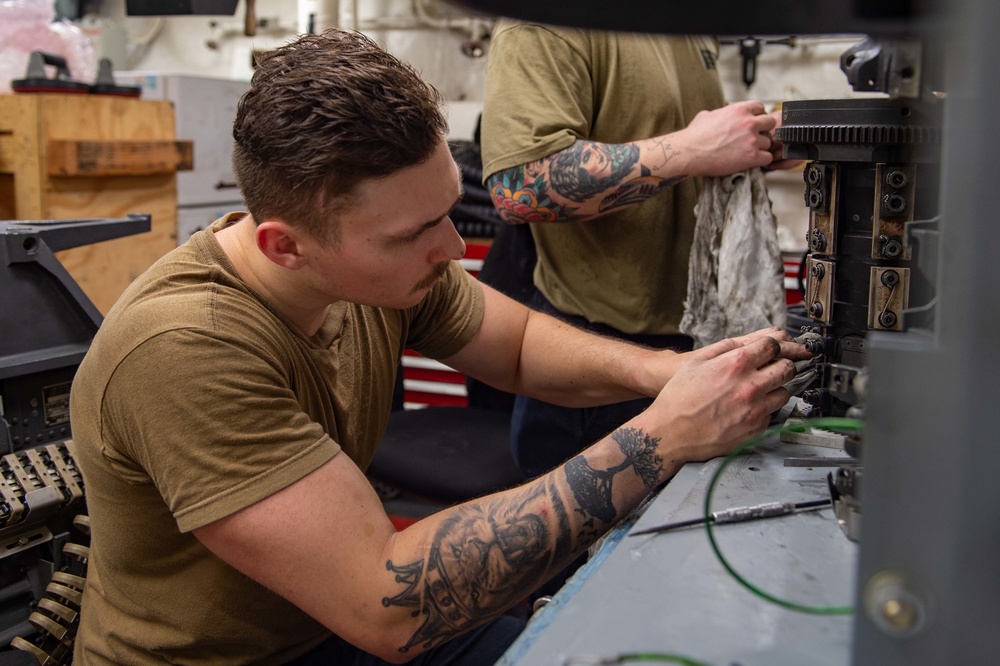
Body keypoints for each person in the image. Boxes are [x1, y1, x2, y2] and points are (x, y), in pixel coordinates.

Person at [69, 28, 807, 665]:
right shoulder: (186, 349)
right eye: (413, 235)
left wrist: (673, 371)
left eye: (448, 211)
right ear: (284, 247)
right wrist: (664, 434)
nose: (453, 247)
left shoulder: (375, 276)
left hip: (334, 632)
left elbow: (515, 346)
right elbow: (386, 605)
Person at [481, 21, 797, 480]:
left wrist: (749, 147)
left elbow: (670, 156)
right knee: (588, 551)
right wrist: (693, 148)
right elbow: (519, 185)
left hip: (694, 344)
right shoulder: (543, 19)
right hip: (596, 365)